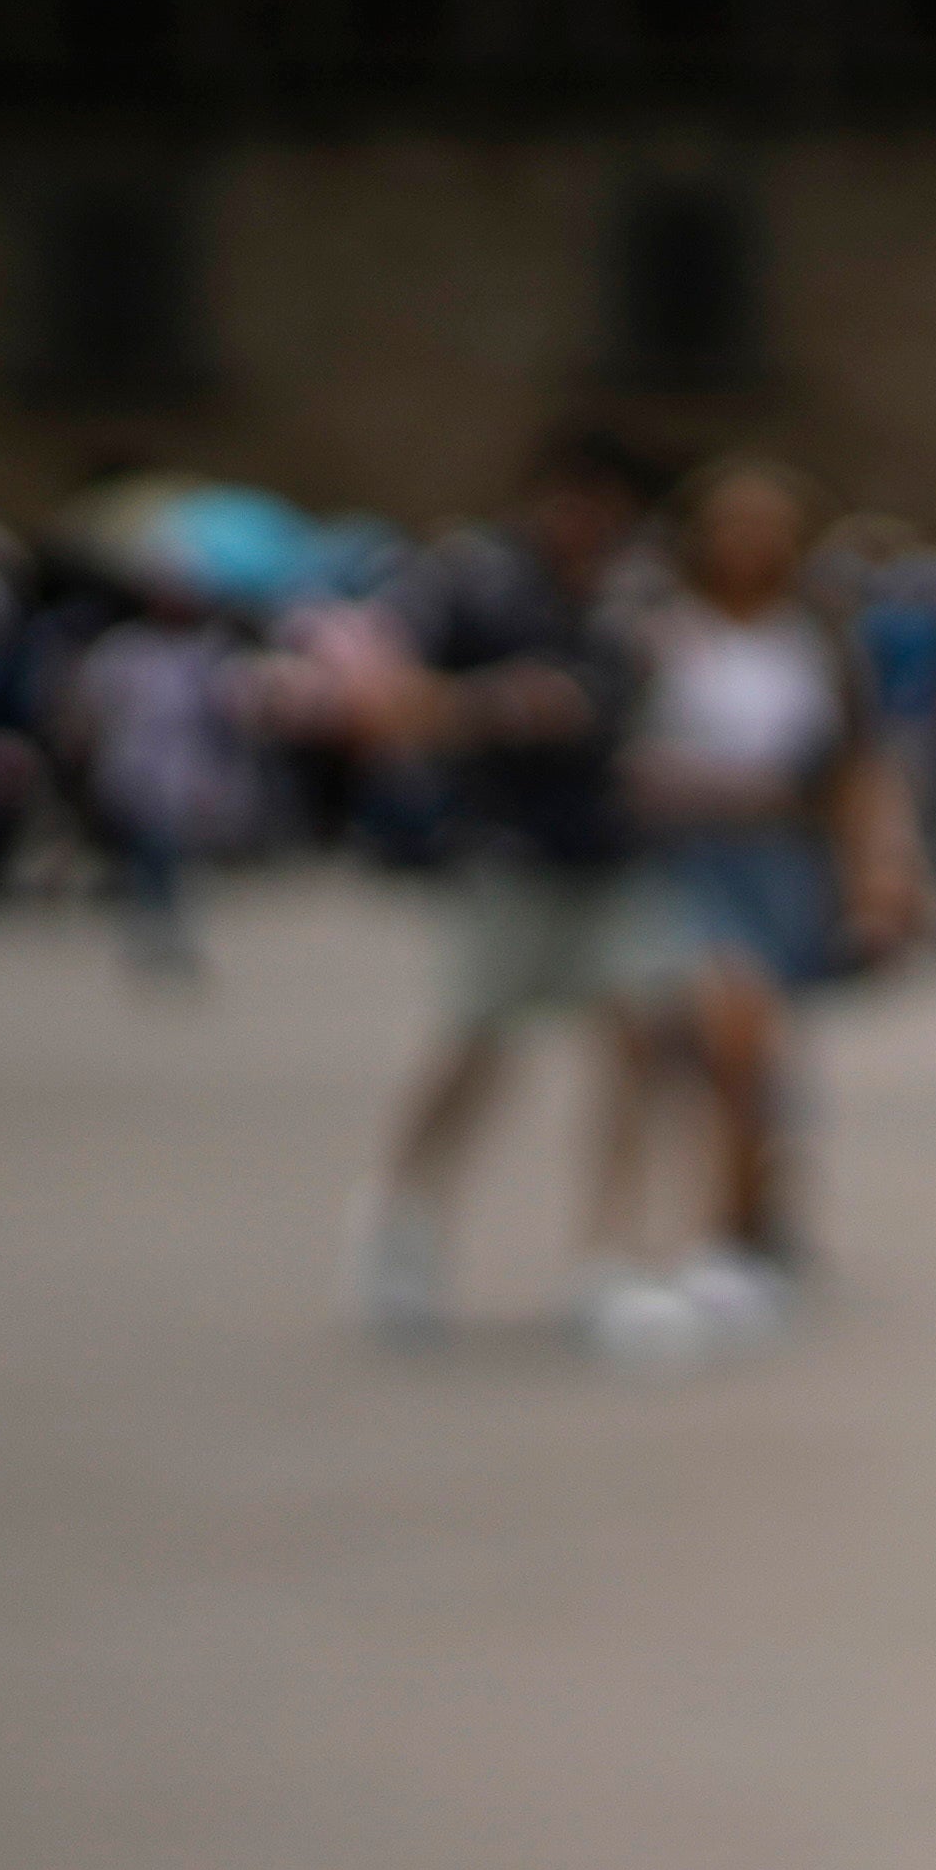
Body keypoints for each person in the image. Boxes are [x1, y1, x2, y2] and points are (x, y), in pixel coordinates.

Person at [588, 457, 921, 1363]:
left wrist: (879, 873)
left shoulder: (817, 638)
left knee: (757, 1051)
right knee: (712, 1028)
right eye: (732, 524)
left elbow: (859, 764)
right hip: (679, 860)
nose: (749, 544)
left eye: (767, 525)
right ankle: (670, 1236)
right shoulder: (654, 635)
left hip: (779, 857)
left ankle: (745, 1220)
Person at [359, 433, 664, 1342]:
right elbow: (389, 701)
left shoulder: (629, 597)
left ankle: (609, 1257)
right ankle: (400, 1230)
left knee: (634, 1045)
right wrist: (501, 704)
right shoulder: (471, 587)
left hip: (608, 851)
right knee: (477, 1045)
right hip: (504, 849)